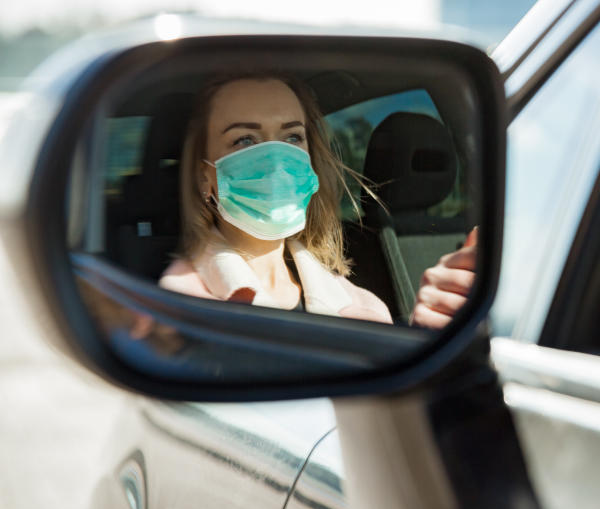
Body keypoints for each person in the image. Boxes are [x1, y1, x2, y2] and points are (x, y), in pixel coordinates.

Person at [159, 74, 474, 328]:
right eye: (245, 140)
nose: (277, 161)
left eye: (292, 137)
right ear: (205, 177)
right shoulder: (178, 307)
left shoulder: (365, 307)